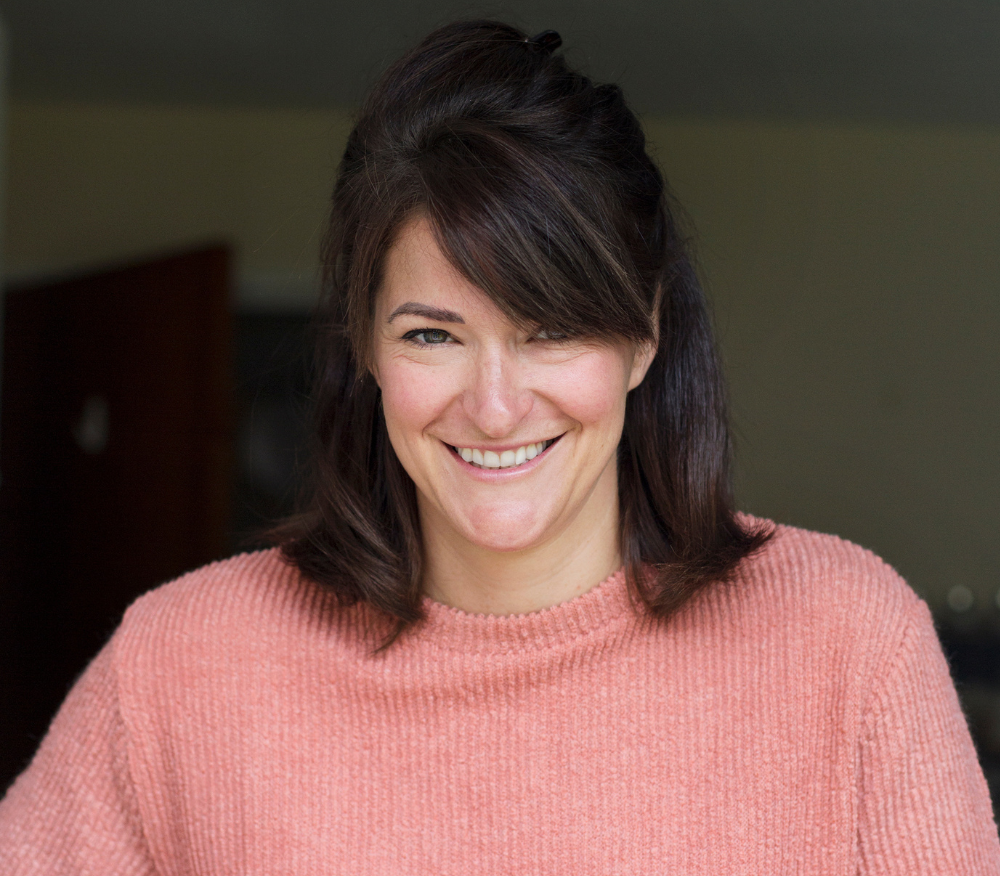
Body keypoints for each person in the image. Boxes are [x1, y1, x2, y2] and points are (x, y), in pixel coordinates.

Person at [1, 19, 997, 874]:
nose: (492, 403)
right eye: (431, 334)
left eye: (550, 329)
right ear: (364, 347)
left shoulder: (848, 644)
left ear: (644, 334)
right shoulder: (183, 666)